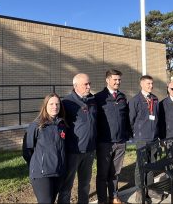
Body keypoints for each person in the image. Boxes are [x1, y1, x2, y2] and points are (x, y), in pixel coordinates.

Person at [57, 73, 97, 204]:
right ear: (75, 86)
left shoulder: (92, 101)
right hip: (73, 152)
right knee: (66, 185)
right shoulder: (67, 103)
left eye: (89, 83)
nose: (89, 86)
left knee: (85, 184)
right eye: (85, 84)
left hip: (89, 151)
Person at [95, 69, 130, 204]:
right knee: (103, 174)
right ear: (107, 80)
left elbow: (126, 118)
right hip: (105, 143)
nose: (117, 82)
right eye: (115, 79)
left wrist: (126, 135)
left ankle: (114, 197)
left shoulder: (122, 96)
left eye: (119, 79)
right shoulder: (99, 98)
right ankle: (102, 200)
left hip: (120, 142)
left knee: (115, 172)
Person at [26, 93, 67, 204]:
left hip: (58, 172)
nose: (55, 107)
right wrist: (38, 165)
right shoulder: (36, 125)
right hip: (42, 173)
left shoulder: (62, 125)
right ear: (45, 106)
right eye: (51, 104)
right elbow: (27, 150)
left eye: (57, 104)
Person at [129, 75, 163, 203]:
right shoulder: (135, 100)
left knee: (151, 164)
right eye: (148, 84)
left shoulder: (154, 99)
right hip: (142, 139)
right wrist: (137, 134)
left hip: (153, 138)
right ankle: (140, 191)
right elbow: (130, 120)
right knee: (141, 166)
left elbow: (157, 117)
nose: (151, 86)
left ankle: (150, 188)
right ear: (141, 84)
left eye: (152, 83)